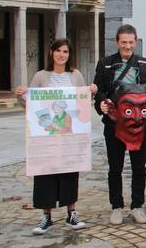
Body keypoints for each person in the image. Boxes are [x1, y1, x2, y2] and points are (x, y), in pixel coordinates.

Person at [15, 39, 97, 234]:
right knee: (45, 173)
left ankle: (71, 213)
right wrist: (20, 94)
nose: (62, 55)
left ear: (69, 55)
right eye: (58, 51)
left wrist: (91, 92)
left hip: (69, 136)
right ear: (51, 53)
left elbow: (81, 102)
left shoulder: (75, 75)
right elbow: (30, 103)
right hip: (47, 136)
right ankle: (46, 216)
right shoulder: (41, 76)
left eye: (66, 51)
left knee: (70, 171)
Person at [93, 24, 146, 225]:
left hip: (139, 126)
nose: (127, 46)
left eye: (131, 42)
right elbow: (99, 91)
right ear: (117, 42)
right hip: (114, 126)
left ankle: (138, 205)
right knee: (115, 168)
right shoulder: (104, 64)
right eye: (124, 43)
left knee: (139, 168)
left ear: (136, 42)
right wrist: (101, 104)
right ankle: (116, 207)